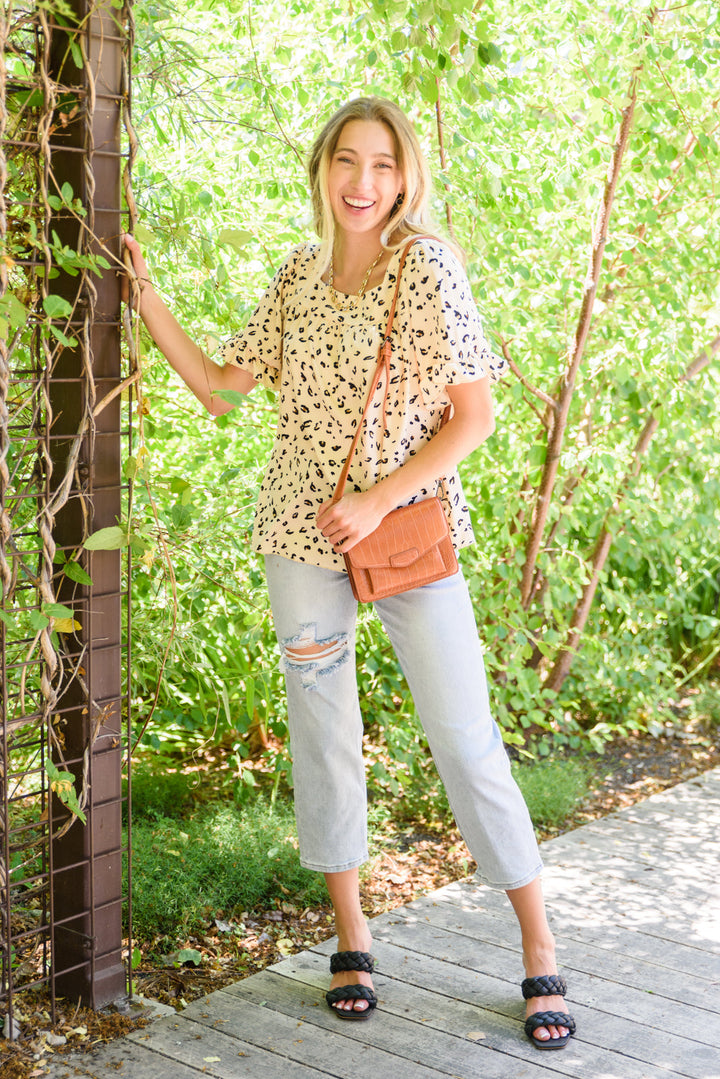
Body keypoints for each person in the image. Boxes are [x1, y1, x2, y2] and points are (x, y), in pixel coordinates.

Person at [122, 95, 576, 1049]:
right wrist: (147, 299)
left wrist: (376, 499)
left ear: (405, 178)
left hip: (405, 533)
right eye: (346, 160)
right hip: (300, 536)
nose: (362, 182)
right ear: (323, 169)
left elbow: (475, 417)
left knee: (464, 736)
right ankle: (352, 934)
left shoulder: (428, 268)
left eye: (381, 164)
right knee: (324, 735)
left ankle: (539, 944)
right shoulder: (297, 275)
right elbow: (221, 392)